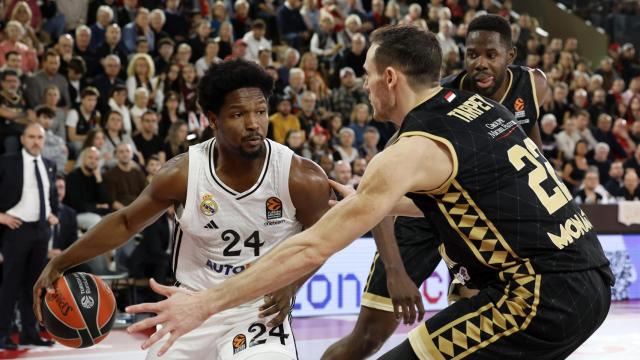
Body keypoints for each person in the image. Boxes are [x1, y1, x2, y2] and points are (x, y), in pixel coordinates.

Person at [122, 25, 612, 360]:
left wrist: (204, 304)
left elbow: (312, 246)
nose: (365, 86)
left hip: (538, 295)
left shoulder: (412, 147)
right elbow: (476, 193)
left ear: (391, 79)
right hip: (588, 278)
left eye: (368, 75)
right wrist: (365, 201)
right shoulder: (477, 108)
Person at [34, 59, 331, 359]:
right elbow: (125, 222)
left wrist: (291, 284)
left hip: (257, 309)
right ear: (213, 120)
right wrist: (60, 263)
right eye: (238, 114)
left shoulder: (300, 177)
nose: (253, 123)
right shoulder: (183, 174)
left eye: (261, 112)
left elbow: (324, 238)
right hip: (191, 304)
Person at [326, 15, 550, 359]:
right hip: (419, 217)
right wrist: (397, 273)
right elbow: (382, 187)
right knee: (368, 337)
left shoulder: (533, 85)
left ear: (511, 55)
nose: (480, 63)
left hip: (473, 216)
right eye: (472, 54)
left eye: (491, 55)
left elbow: (533, 154)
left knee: (484, 330)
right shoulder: (440, 97)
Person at [0, 124, 57, 350]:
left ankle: (29, 333)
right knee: (10, 285)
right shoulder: (7, 162)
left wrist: (53, 213)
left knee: (34, 287)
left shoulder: (49, 165)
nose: (36, 141)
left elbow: (52, 196)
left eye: (39, 137)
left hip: (41, 230)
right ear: (22, 139)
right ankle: (2, 333)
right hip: (16, 228)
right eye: (31, 137)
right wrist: (1, 217)